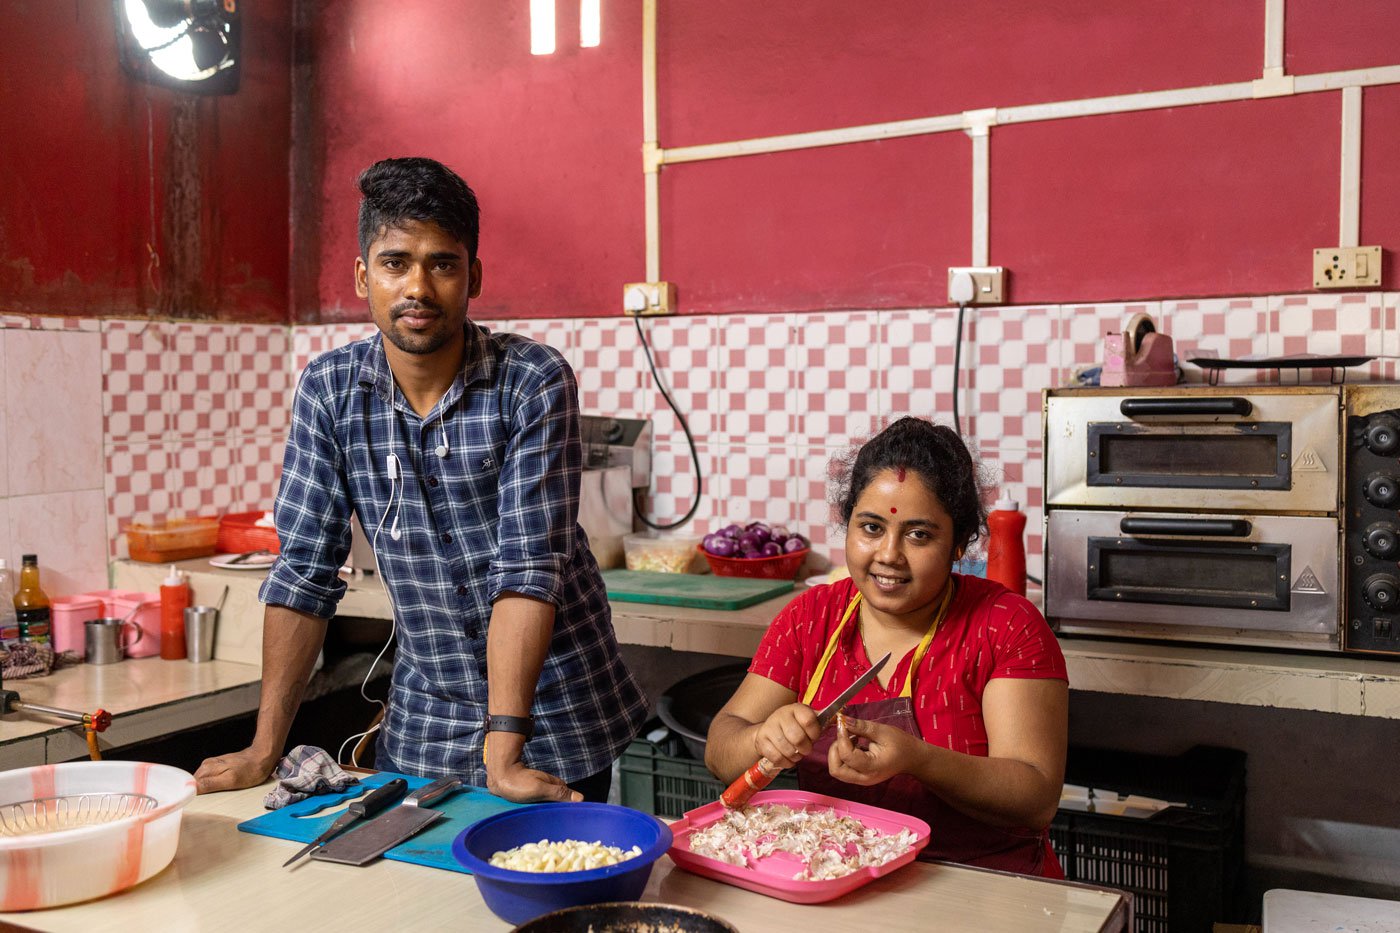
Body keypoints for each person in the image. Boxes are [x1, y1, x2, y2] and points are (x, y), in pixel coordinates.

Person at [195, 156, 647, 803]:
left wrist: (505, 748)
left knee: (541, 891)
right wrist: (264, 748)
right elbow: (303, 572)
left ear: (474, 275)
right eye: (396, 262)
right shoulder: (330, 391)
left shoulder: (533, 380)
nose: (418, 286)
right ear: (362, 275)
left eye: (442, 262)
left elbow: (526, 569)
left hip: (554, 715)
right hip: (425, 718)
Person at [706, 416, 1069, 876]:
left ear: (959, 543)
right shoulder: (811, 617)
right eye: (871, 527)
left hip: (983, 882)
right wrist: (761, 737)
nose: (889, 554)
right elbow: (721, 748)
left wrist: (919, 760)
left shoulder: (1006, 627)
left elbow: (1035, 799)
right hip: (839, 878)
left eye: (919, 534)